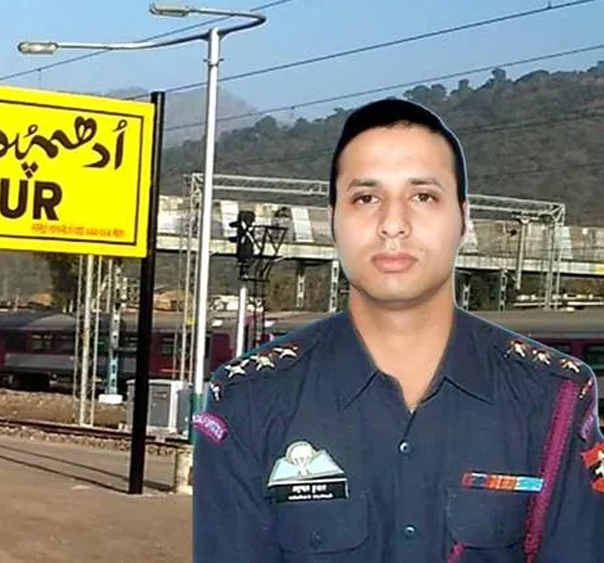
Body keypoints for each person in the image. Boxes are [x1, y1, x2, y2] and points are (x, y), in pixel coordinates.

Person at [191, 97, 604, 562]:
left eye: (423, 196)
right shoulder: (248, 401)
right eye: (365, 198)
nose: (393, 224)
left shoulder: (552, 398)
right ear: (333, 220)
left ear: (463, 218)